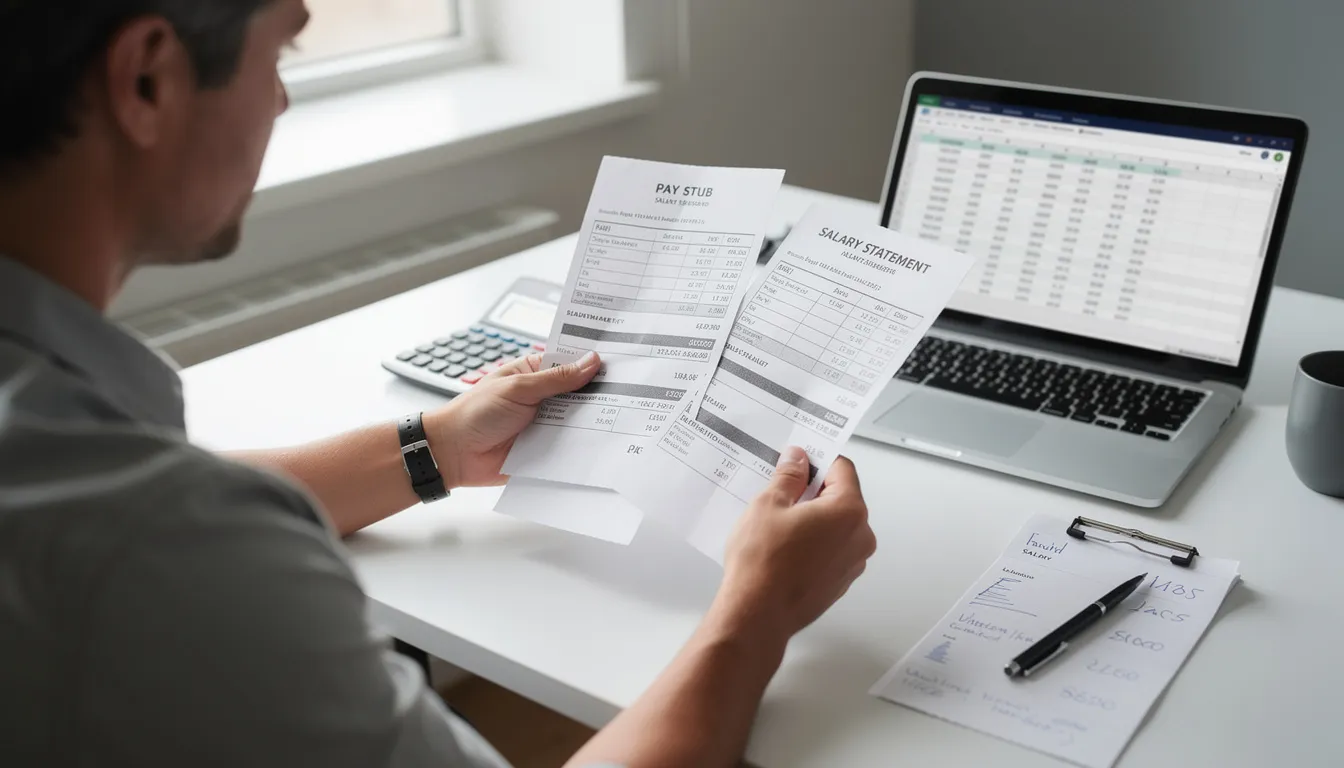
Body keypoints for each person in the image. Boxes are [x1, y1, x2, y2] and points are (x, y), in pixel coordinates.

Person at [0, 1, 878, 766]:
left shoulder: (77, 469)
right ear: (147, 79)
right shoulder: (171, 555)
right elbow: (164, 529)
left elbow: (148, 502)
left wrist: (437, 448)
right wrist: (757, 611)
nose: (281, 97)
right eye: (280, 54)